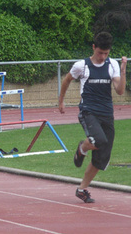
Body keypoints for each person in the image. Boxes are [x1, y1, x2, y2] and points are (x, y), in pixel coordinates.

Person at [58, 32, 127, 203]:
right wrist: (61, 101)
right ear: (93, 47)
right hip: (88, 111)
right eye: (100, 53)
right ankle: (82, 147)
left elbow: (119, 91)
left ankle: (82, 189)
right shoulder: (82, 65)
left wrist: (124, 70)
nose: (103, 56)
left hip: (107, 113)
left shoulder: (112, 65)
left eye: (106, 53)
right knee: (98, 140)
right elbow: (66, 80)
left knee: (102, 158)